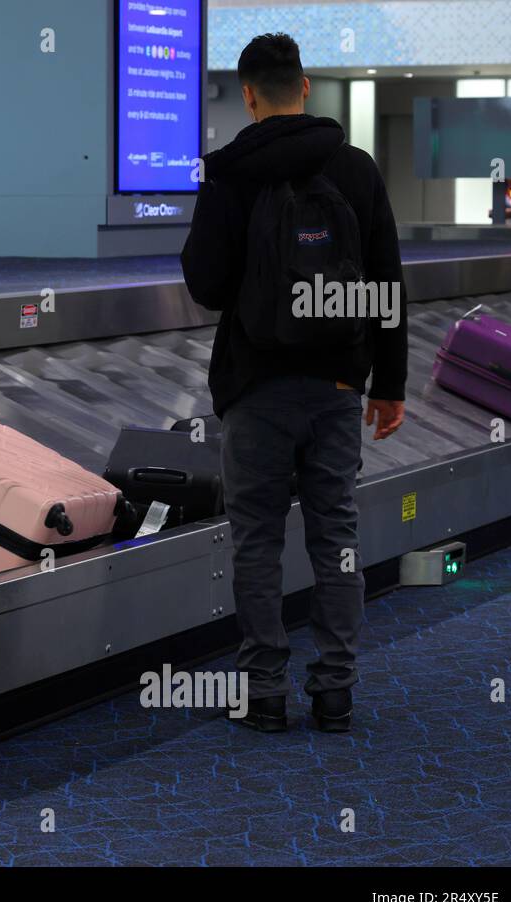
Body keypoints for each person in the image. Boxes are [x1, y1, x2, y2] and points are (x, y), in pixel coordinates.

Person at [179, 33, 407, 734]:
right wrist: (388, 385)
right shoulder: (356, 169)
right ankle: (335, 690)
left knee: (256, 539)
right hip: (338, 385)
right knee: (335, 533)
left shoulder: (229, 175)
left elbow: (207, 286)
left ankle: (265, 691)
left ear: (247, 94)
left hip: (255, 389)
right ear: (304, 87)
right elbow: (387, 284)